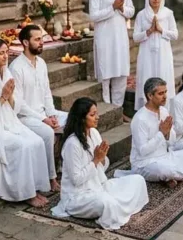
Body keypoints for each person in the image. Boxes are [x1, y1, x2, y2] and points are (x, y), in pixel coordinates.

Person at [0, 38, 51, 207]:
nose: (5, 57)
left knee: (36, 141)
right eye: (1, 53)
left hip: (9, 122)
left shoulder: (6, 73)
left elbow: (16, 107)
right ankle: (25, 193)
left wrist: (11, 96)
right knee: (23, 146)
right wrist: (3, 97)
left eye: (7, 52)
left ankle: (35, 187)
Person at [52, 98, 148, 230]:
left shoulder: (94, 133)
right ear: (81, 118)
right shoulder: (72, 144)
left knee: (138, 180)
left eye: (96, 113)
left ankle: (118, 207)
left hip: (99, 186)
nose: (97, 117)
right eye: (92, 115)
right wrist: (96, 160)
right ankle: (117, 207)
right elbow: (77, 180)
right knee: (107, 204)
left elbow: (102, 166)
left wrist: (102, 159)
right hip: (78, 197)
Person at [119, 78, 183, 187]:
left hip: (165, 156)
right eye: (160, 93)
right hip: (145, 163)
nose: (165, 96)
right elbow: (143, 151)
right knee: (165, 170)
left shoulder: (164, 111)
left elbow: (172, 143)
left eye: (165, 92)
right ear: (150, 96)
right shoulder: (140, 119)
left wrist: (168, 133)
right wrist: (161, 134)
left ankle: (173, 177)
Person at [10, 24, 63, 192]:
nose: (41, 43)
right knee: (47, 133)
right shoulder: (16, 67)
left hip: (43, 114)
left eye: (42, 39)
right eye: (37, 39)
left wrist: (52, 114)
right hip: (24, 117)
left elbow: (46, 93)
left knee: (74, 118)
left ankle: (66, 167)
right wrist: (44, 120)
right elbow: (20, 104)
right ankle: (51, 178)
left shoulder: (41, 63)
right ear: (25, 42)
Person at [89, 0, 135, 108]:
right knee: (106, 73)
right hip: (104, 38)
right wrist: (112, 7)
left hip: (120, 38)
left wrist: (121, 8)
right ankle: (107, 108)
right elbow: (94, 16)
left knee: (121, 74)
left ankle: (117, 109)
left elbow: (131, 11)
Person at [133, 0, 178, 110]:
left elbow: (175, 35)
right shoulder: (141, 15)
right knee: (147, 78)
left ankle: (165, 112)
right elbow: (136, 37)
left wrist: (161, 30)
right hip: (147, 54)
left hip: (163, 54)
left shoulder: (168, 14)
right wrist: (149, 31)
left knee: (164, 79)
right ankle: (147, 112)